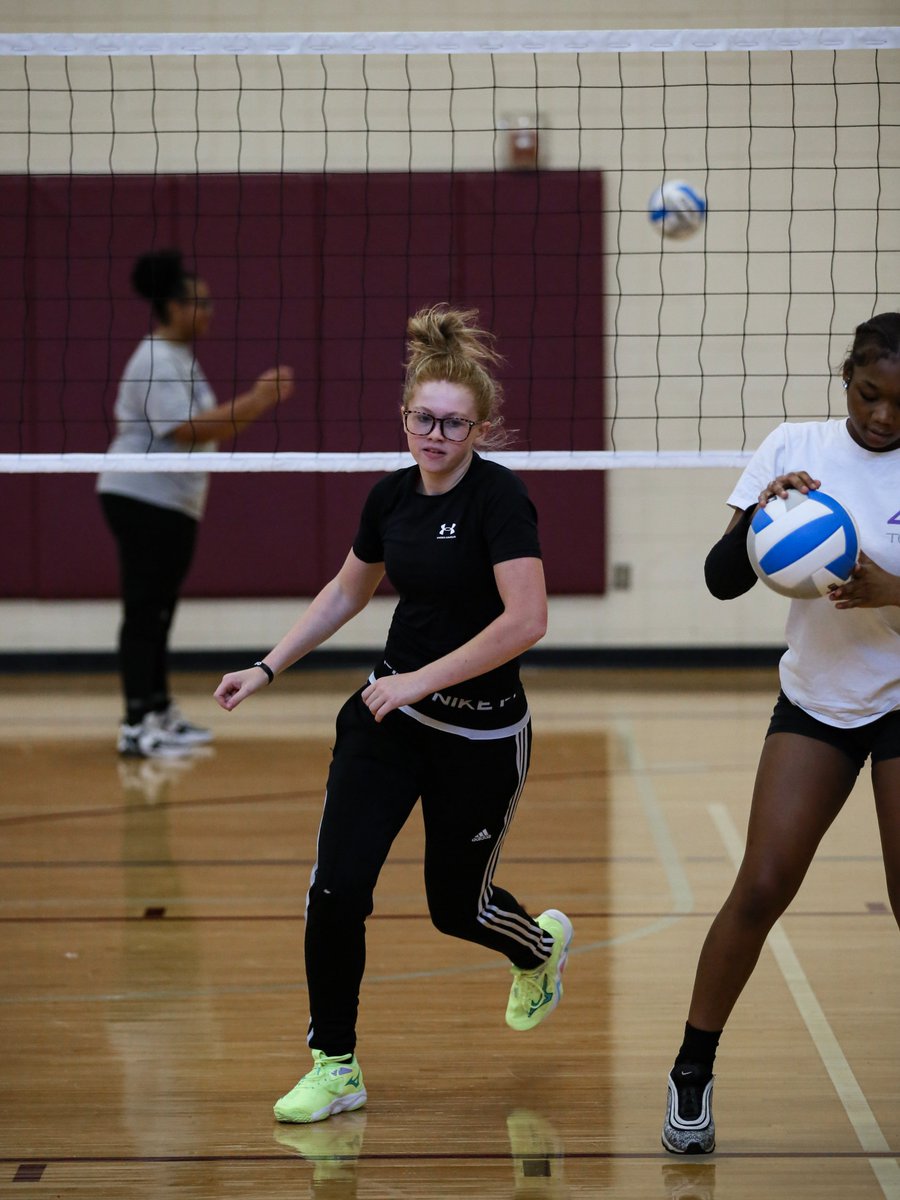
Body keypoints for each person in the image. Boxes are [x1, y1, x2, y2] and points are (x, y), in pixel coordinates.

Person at [214, 305, 573, 1124]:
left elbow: (526, 621)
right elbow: (349, 588)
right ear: (403, 417)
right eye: (423, 419)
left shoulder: (500, 501)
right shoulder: (390, 497)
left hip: (480, 736)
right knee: (335, 892)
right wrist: (269, 666)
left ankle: (540, 949)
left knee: (457, 907)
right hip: (385, 723)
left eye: (453, 423)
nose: (435, 435)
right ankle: (334, 1064)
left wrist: (421, 681)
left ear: (481, 427)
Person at [662, 311, 900, 1154]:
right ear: (847, 381)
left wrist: (891, 591)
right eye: (871, 396)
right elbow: (722, 581)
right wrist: (761, 518)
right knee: (762, 884)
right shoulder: (793, 445)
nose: (883, 417)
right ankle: (691, 1071)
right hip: (819, 698)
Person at [98, 249, 294, 758]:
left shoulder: (179, 358)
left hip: (173, 501)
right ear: (170, 306)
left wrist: (254, 404)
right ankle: (137, 721)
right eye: (197, 303)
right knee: (145, 610)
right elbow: (188, 428)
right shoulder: (155, 357)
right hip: (142, 496)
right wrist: (259, 398)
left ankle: (158, 711)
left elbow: (206, 427)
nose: (208, 312)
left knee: (159, 610)